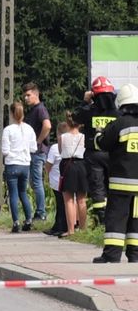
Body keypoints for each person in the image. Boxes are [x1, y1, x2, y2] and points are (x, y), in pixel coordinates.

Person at [94, 83, 138, 264]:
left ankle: (111, 255)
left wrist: (98, 134)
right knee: (136, 221)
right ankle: (135, 255)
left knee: (116, 219)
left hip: (121, 184)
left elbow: (102, 144)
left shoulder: (120, 124)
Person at [78, 76, 119, 225]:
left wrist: (85, 101)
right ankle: (113, 218)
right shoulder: (118, 114)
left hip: (94, 155)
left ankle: (100, 221)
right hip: (113, 155)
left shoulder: (89, 111)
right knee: (112, 186)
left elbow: (76, 117)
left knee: (97, 188)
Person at [2, 101, 37, 232]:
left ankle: (16, 222)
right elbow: (33, 148)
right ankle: (28, 220)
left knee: (13, 194)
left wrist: (12, 154)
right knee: (23, 193)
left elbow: (5, 150)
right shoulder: (29, 129)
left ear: (11, 113)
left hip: (12, 163)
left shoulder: (8, 130)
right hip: (25, 164)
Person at [23, 83, 53, 221]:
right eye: (25, 95)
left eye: (28, 95)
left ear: (36, 94)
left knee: (36, 182)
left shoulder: (40, 109)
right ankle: (38, 211)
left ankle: (41, 212)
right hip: (34, 152)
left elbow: (47, 125)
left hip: (38, 151)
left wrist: (38, 141)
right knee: (34, 182)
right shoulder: (33, 110)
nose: (25, 98)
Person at [58, 112, 89, 237]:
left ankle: (71, 230)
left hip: (67, 164)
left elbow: (61, 151)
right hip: (82, 165)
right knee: (82, 199)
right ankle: (83, 229)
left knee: (69, 200)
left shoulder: (62, 137)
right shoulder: (84, 137)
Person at [44, 129, 65, 236]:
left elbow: (49, 164)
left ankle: (59, 226)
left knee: (60, 204)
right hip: (69, 179)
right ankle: (64, 225)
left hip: (57, 181)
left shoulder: (54, 147)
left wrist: (47, 174)